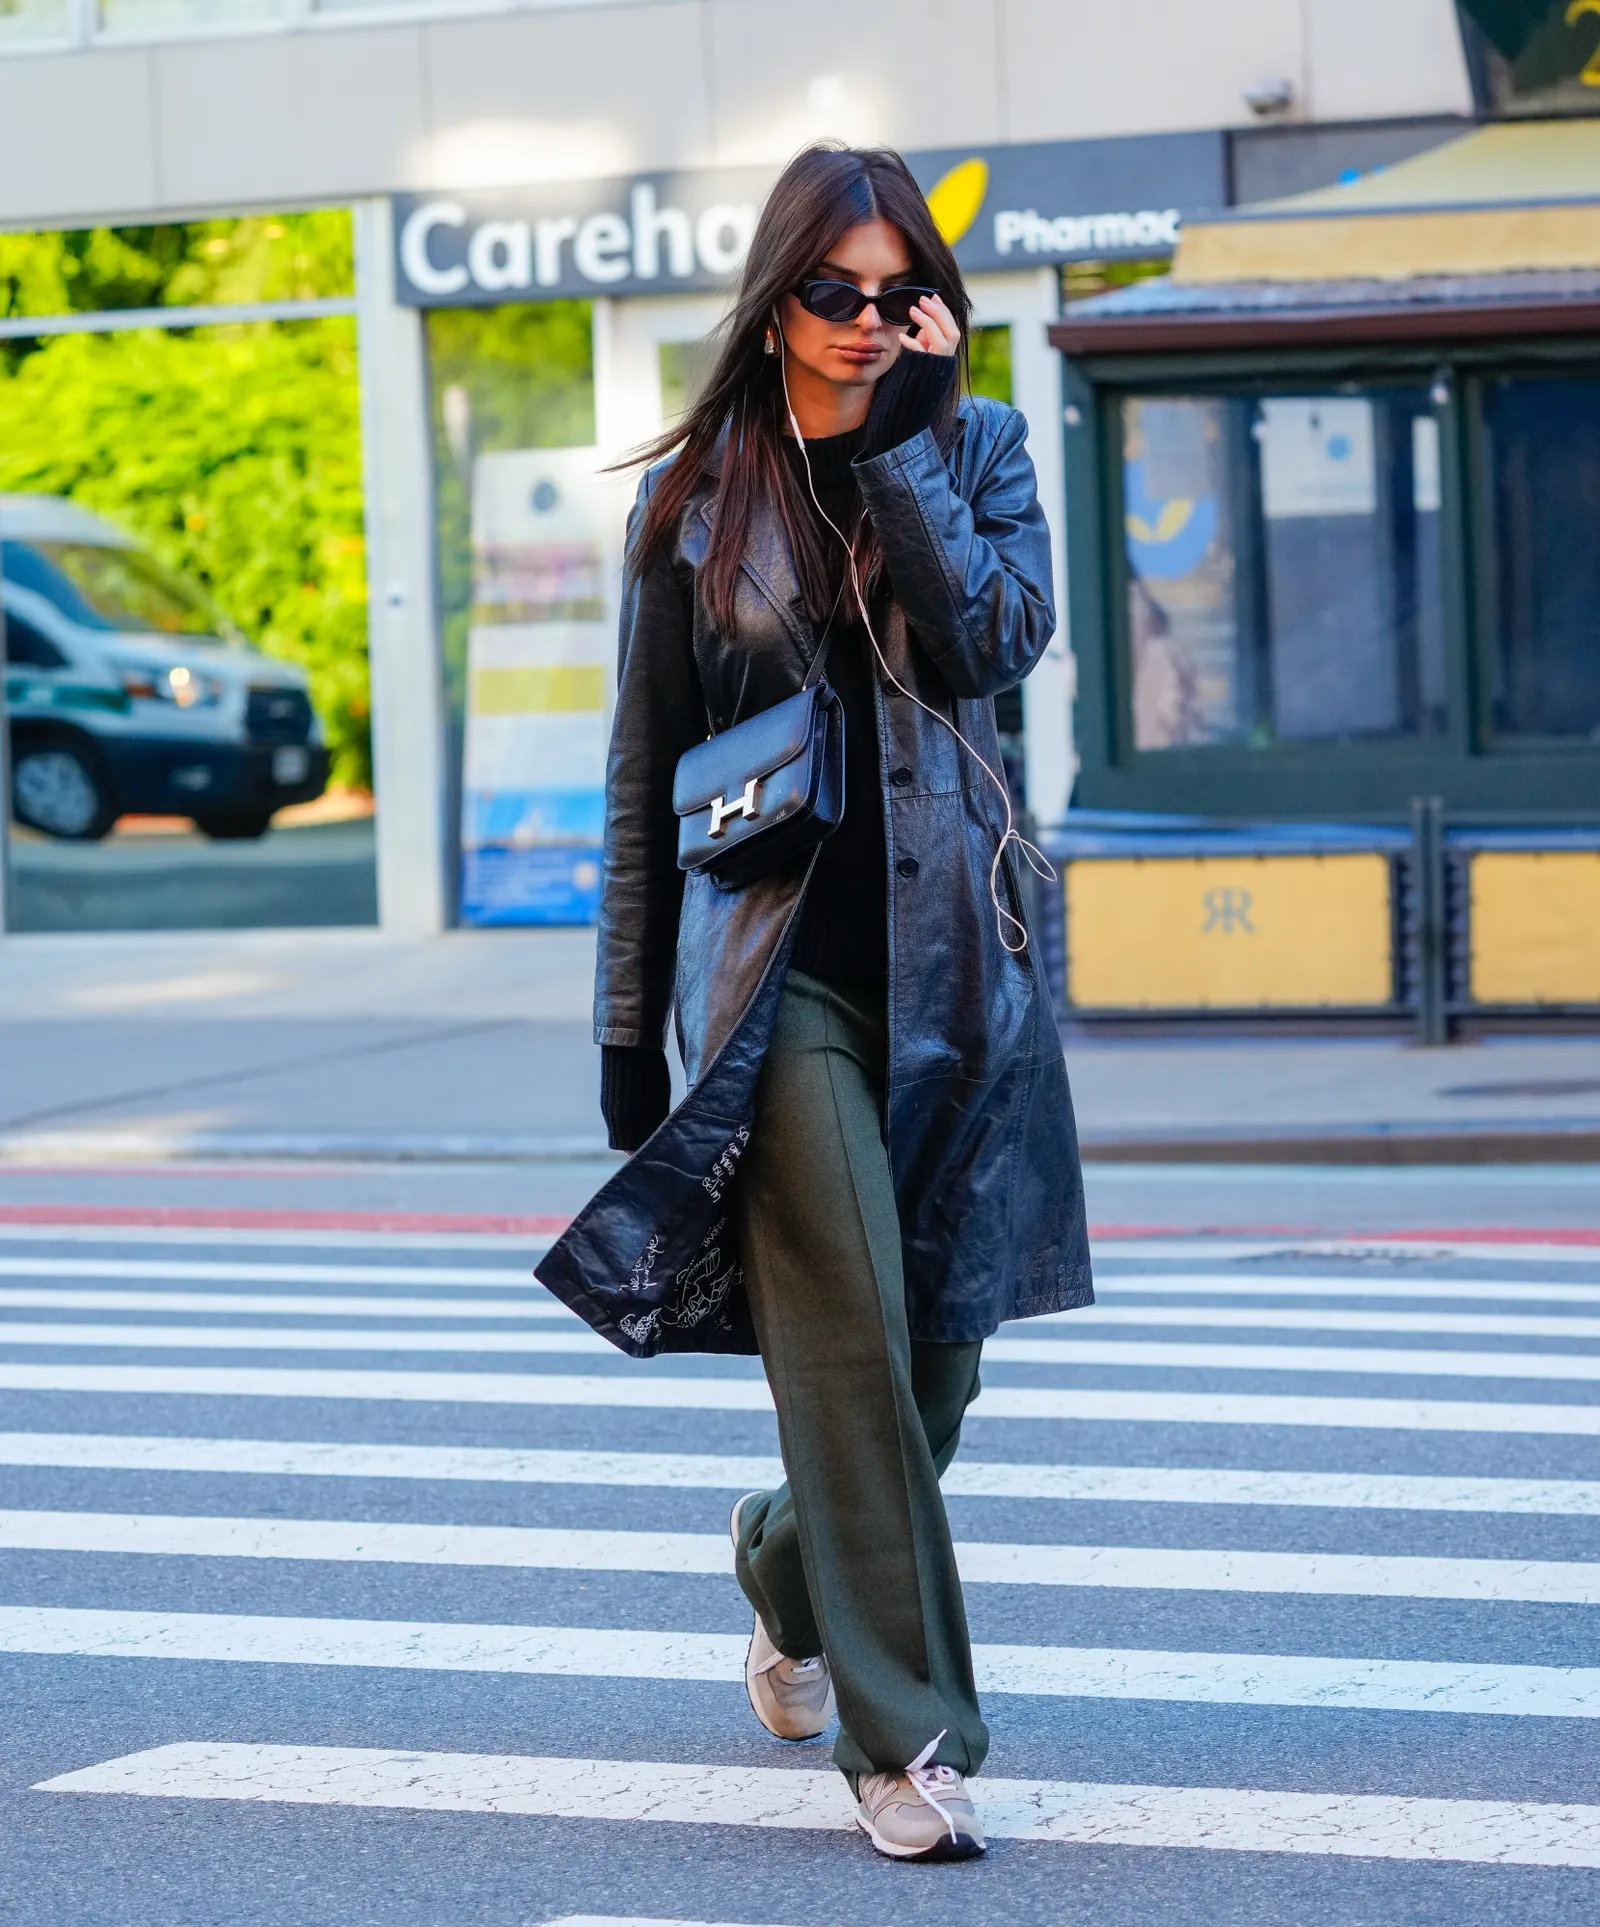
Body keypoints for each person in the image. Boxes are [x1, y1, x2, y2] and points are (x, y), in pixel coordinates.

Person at [571, 141, 1092, 1863]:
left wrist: (910, 454)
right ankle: (908, 1740)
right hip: (775, 986)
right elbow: (643, 773)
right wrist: (622, 1022)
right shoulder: (698, 496)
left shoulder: (982, 449)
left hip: (963, 983)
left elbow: (992, 645)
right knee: (857, 1344)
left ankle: (784, 1564)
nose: (866, 323)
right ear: (777, 294)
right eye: (833, 293)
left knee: (936, 1372)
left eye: (895, 294)